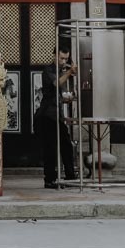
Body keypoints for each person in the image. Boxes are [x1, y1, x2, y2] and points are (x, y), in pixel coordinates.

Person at [34, 48, 78, 188]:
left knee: (66, 144)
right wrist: (70, 72)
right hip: (47, 115)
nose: (63, 61)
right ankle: (49, 179)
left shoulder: (61, 72)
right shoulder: (48, 71)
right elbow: (56, 84)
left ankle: (70, 175)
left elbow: (60, 94)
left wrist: (69, 97)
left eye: (66, 59)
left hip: (57, 115)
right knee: (50, 148)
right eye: (61, 58)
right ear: (54, 55)